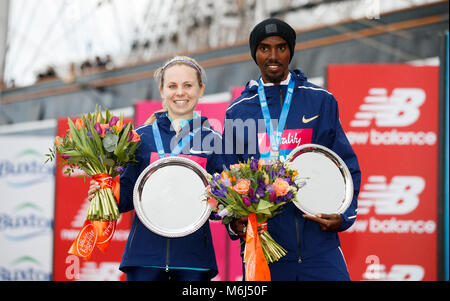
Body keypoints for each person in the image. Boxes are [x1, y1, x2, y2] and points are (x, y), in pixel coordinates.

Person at [222, 18, 361, 281]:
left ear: (291, 51)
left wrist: (343, 215)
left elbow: (345, 165)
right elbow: (225, 174)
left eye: (281, 47)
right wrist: (234, 221)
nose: (273, 56)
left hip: (319, 245)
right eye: (264, 48)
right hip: (264, 246)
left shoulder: (320, 100)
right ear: (255, 54)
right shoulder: (238, 111)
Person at [88, 56, 223, 281]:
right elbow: (127, 197)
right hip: (144, 258)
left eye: (188, 85)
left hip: (193, 260)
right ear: (161, 90)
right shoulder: (140, 137)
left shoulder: (214, 140)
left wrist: (221, 201)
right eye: (172, 86)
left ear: (201, 90)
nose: (180, 92)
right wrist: (105, 191)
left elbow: (221, 208)